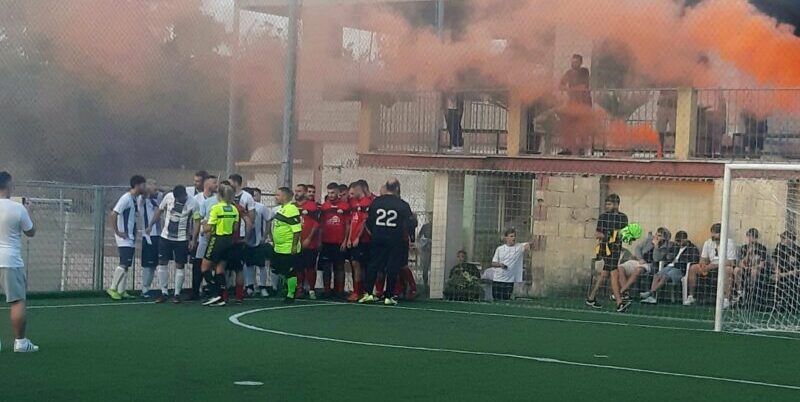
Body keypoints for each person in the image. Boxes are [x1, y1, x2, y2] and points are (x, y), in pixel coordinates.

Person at [360, 178, 416, 306]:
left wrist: (374, 233)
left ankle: (368, 293)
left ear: (386, 187)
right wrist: (411, 239)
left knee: (373, 264)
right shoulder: (402, 204)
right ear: (397, 188)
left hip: (378, 238)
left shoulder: (376, 202)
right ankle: (389, 295)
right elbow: (409, 224)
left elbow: (368, 222)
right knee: (392, 266)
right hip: (394, 239)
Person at [0, 172, 38, 352]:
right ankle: (21, 343)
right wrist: (29, 211)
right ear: (8, 186)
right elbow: (31, 232)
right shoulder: (18, 209)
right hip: (11, 261)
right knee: (17, 301)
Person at [147, 185, 199, 303]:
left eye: (180, 198)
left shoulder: (194, 203)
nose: (178, 200)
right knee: (162, 263)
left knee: (180, 265)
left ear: (184, 195)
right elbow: (159, 211)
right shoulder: (168, 197)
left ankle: (177, 293)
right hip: (165, 237)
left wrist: (193, 239)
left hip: (181, 239)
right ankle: (164, 292)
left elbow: (197, 221)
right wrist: (150, 225)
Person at [586, 194, 630, 312]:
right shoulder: (603, 217)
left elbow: (625, 234)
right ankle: (619, 302)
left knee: (604, 274)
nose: (607, 206)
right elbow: (597, 234)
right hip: (606, 249)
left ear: (616, 204)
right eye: (606, 204)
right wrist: (610, 236)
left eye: (609, 204)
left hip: (617, 249)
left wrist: (629, 236)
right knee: (614, 273)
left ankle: (591, 298)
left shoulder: (623, 217)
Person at [107, 175, 147, 301]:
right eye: (143, 185)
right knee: (124, 263)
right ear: (137, 185)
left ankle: (121, 290)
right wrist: (118, 232)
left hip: (130, 236)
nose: (144, 187)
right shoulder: (126, 198)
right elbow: (114, 214)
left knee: (127, 264)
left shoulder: (135, 198)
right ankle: (112, 288)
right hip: (124, 237)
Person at [200, 183, 239, 307]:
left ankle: (214, 293)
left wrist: (203, 225)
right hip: (228, 241)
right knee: (220, 268)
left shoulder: (216, 208)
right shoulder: (234, 209)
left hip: (217, 239)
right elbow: (236, 227)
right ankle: (222, 297)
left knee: (204, 267)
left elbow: (209, 227)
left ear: (219, 195)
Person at [685, 223, 738, 307]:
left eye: (716, 232)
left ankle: (726, 299)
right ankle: (691, 296)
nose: (714, 235)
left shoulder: (729, 243)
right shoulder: (708, 243)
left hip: (723, 266)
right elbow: (703, 258)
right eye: (713, 232)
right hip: (710, 266)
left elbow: (731, 262)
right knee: (693, 268)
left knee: (728, 269)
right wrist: (703, 265)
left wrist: (714, 265)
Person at [640, 231, 700, 304]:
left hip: (680, 269)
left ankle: (650, 293)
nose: (678, 243)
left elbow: (694, 260)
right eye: (677, 241)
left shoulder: (692, 249)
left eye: (679, 241)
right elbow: (667, 256)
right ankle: (652, 297)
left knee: (665, 277)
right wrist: (669, 257)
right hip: (670, 266)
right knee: (657, 275)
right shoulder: (675, 247)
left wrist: (679, 261)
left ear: (685, 240)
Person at [617, 228, 672, 300]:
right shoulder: (648, 240)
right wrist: (640, 258)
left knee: (638, 270)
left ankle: (622, 291)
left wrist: (656, 247)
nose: (656, 237)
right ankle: (625, 293)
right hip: (639, 261)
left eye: (659, 236)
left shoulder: (665, 247)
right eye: (656, 234)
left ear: (664, 238)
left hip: (650, 265)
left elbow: (656, 259)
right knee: (620, 268)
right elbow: (638, 248)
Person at [319, 182, 350, 298]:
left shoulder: (345, 206)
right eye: (328, 193)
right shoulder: (324, 206)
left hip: (339, 242)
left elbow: (348, 224)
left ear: (338, 193)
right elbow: (321, 224)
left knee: (339, 266)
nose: (331, 195)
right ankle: (326, 290)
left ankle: (340, 290)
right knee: (326, 266)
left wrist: (345, 240)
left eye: (332, 193)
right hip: (326, 242)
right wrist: (320, 240)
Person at [271, 187, 302, 303]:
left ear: (284, 196)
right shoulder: (281, 209)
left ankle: (291, 294)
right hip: (279, 247)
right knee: (279, 269)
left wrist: (294, 246)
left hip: (288, 247)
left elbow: (297, 230)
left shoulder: (292, 209)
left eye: (278, 195)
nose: (276, 197)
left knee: (290, 271)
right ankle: (288, 287)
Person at [228, 174, 255, 303]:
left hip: (238, 237)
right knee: (227, 268)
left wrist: (247, 237)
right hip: (226, 238)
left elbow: (250, 219)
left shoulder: (246, 197)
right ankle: (226, 293)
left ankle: (237, 294)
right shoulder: (224, 202)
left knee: (237, 267)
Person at [190, 175, 217, 300]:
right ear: (206, 184)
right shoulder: (196, 199)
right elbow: (196, 219)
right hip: (202, 237)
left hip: (215, 237)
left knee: (213, 265)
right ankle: (195, 291)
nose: (216, 184)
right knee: (198, 263)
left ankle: (212, 290)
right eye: (214, 182)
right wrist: (193, 237)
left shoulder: (217, 200)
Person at [243, 188, 274, 298]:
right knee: (249, 264)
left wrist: (265, 236)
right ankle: (250, 286)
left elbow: (268, 219)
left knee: (261, 265)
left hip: (258, 240)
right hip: (246, 241)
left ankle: (262, 287)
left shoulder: (260, 207)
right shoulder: (241, 207)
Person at [490, 229, 534, 301]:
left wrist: (528, 244)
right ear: (506, 238)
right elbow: (493, 263)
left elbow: (530, 244)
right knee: (496, 300)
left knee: (506, 300)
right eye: (511, 236)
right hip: (498, 279)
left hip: (509, 281)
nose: (513, 238)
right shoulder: (500, 249)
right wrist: (501, 265)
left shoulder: (519, 247)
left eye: (514, 236)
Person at [346, 181, 372, 302]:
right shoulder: (356, 203)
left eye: (353, 192)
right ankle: (358, 290)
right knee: (355, 264)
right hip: (354, 239)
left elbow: (364, 222)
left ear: (358, 190)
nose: (350, 195)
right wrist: (350, 237)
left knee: (359, 265)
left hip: (364, 240)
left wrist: (358, 237)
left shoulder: (367, 202)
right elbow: (353, 221)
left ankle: (360, 291)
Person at [294, 184, 320, 299]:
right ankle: (299, 288)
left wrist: (309, 238)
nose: (296, 193)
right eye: (296, 191)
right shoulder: (292, 206)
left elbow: (316, 224)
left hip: (310, 243)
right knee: (298, 266)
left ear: (304, 193)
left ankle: (311, 289)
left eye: (299, 191)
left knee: (310, 266)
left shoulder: (312, 206)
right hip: (296, 242)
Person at [139, 179, 163, 298]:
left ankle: (153, 288)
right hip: (148, 235)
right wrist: (147, 191)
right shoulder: (142, 199)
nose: (155, 187)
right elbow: (143, 197)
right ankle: (145, 289)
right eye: (152, 185)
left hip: (158, 235)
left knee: (155, 264)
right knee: (148, 264)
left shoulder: (159, 197)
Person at [734, 228, 768, 303]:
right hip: (745, 268)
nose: (751, 238)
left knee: (754, 271)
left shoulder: (762, 248)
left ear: (756, 237)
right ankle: (740, 293)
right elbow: (740, 263)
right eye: (749, 236)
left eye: (753, 237)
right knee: (736, 270)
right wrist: (748, 253)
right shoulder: (744, 247)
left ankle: (751, 293)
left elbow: (762, 264)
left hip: (756, 269)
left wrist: (753, 267)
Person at [772, 231, 800, 312]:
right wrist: (776, 269)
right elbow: (774, 258)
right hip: (780, 272)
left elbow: (796, 270)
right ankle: (778, 302)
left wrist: (783, 274)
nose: (782, 239)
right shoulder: (779, 247)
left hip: (791, 274)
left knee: (791, 279)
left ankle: (791, 304)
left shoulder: (797, 250)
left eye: (784, 238)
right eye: (781, 237)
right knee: (777, 278)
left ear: (790, 239)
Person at [417, 221, 433, 289]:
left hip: (429, 248)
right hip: (427, 248)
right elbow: (419, 237)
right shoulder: (426, 226)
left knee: (429, 267)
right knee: (425, 267)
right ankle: (425, 283)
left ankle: (429, 283)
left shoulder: (427, 226)